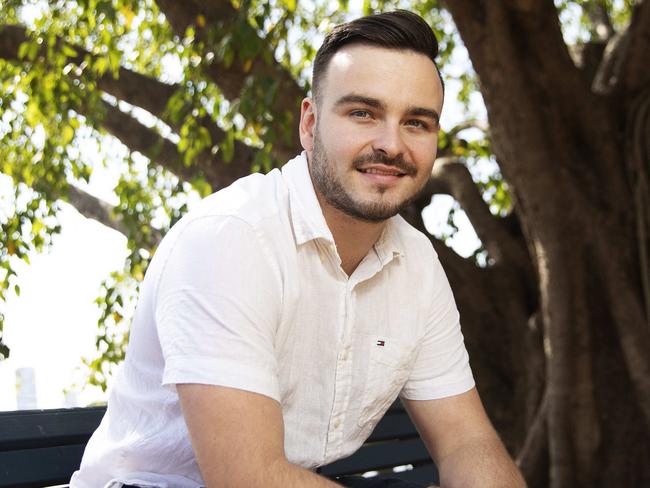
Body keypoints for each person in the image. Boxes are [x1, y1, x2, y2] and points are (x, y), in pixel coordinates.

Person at [71, 10, 526, 488]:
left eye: (416, 122)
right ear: (309, 124)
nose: (391, 144)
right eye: (362, 113)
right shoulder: (232, 238)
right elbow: (247, 478)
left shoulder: (417, 265)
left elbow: (466, 442)